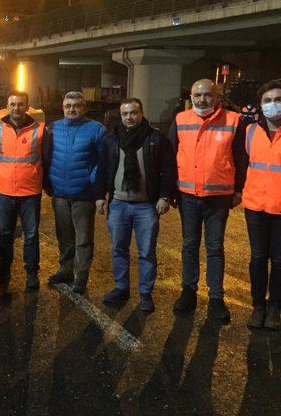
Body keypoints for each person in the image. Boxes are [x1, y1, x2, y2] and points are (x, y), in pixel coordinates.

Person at [169, 79, 246, 323]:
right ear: (191, 97)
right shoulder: (180, 119)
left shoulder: (233, 120)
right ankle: (188, 291)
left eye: (207, 95)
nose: (202, 100)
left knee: (215, 247)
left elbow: (241, 158)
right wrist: (170, 190)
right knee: (189, 245)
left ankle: (216, 297)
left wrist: (238, 191)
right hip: (188, 196)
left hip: (218, 198)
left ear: (217, 97)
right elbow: (170, 156)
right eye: (197, 95)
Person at [94, 98, 176, 312]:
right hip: (118, 204)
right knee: (118, 249)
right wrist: (100, 196)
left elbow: (169, 169)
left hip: (146, 206)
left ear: (141, 113)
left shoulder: (155, 138)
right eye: (125, 114)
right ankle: (121, 288)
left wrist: (164, 196)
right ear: (120, 115)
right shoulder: (112, 139)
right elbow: (102, 169)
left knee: (146, 251)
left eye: (133, 112)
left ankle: (145, 293)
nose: (129, 117)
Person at [0, 91, 50, 290]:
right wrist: (5, 171)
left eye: (20, 104)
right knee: (5, 234)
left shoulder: (39, 130)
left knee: (31, 235)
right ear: (7, 106)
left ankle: (31, 273)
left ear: (27, 106)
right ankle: (3, 270)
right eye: (13, 104)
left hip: (30, 193)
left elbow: (46, 157)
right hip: (5, 192)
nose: (16, 108)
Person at [47, 91, 106, 293]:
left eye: (77, 105)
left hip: (84, 195)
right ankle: (65, 270)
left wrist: (92, 180)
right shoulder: (53, 128)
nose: (72, 109)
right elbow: (46, 155)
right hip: (60, 194)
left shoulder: (96, 129)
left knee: (83, 239)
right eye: (68, 106)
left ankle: (80, 277)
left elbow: (104, 159)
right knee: (64, 237)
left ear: (84, 108)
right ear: (63, 108)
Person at [242, 79, 281, 330]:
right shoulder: (250, 132)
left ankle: (275, 307)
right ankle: (258, 306)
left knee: (279, 261)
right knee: (257, 258)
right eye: (267, 100)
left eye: (278, 100)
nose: (272, 104)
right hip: (255, 206)